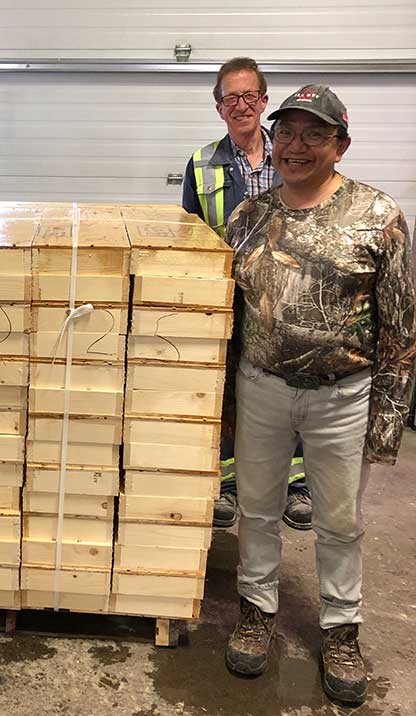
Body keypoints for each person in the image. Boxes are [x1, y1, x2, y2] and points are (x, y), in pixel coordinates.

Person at [223, 85, 415, 706]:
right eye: (287, 133)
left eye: (314, 134)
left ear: (341, 145)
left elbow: (402, 327)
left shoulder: (377, 216)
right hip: (262, 389)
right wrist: (222, 408)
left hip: (345, 395)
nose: (296, 146)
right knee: (256, 507)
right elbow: (227, 323)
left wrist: (387, 422)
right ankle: (257, 611)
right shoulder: (249, 221)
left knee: (338, 520)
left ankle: (340, 627)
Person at [182, 57, 312, 531]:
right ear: (219, 108)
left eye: (249, 96)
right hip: (229, 296)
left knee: (292, 385)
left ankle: (296, 486)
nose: (241, 106)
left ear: (263, 100)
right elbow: (190, 234)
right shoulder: (200, 163)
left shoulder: (293, 156)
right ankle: (227, 486)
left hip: (288, 297)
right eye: (230, 98)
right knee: (227, 390)